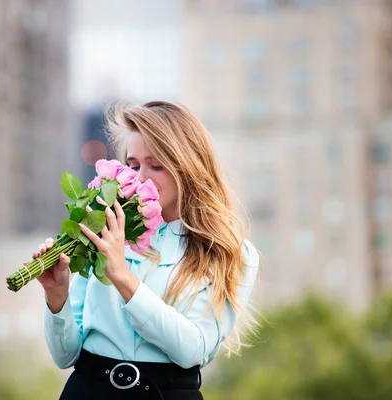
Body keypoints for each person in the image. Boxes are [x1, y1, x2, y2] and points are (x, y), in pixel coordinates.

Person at [25, 101, 259, 399]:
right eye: (133, 165)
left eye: (156, 165)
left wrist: (123, 278)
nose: (142, 177)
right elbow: (65, 356)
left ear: (188, 167)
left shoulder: (229, 253)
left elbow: (192, 351)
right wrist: (56, 295)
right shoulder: (105, 233)